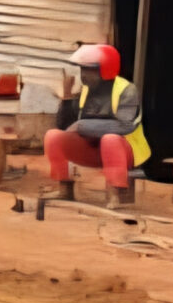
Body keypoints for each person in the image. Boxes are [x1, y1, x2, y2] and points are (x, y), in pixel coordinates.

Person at [46, 43, 149, 207]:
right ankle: (64, 190)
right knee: (53, 136)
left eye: (89, 70)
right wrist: (65, 99)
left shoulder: (127, 90)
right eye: (82, 70)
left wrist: (82, 125)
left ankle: (115, 195)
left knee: (110, 140)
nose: (83, 75)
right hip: (93, 150)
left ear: (105, 69)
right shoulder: (85, 91)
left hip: (126, 151)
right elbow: (64, 127)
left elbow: (125, 126)